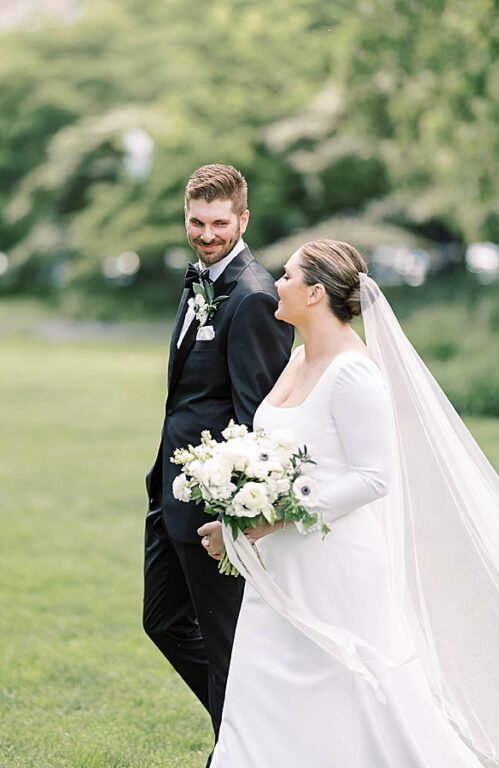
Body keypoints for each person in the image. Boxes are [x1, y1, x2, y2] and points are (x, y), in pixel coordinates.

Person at [200, 240, 499, 767]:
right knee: (265, 684)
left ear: (316, 293)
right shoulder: (299, 357)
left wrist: (273, 514)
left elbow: (374, 477)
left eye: (288, 276)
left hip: (334, 564)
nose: (276, 283)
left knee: (348, 695)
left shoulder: (353, 372)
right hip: (281, 562)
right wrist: (240, 504)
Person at [143, 164, 293, 762]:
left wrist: (234, 516)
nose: (207, 234)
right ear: (186, 217)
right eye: (197, 222)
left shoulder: (254, 296)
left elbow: (260, 416)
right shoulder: (200, 281)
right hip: (169, 488)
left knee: (227, 642)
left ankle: (237, 752)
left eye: (219, 224)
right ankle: (254, 724)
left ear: (243, 220)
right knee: (163, 621)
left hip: (213, 504)